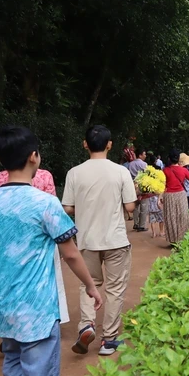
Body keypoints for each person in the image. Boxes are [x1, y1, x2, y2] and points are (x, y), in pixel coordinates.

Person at [0, 126, 103, 376]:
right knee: (39, 374)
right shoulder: (44, 203)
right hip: (36, 308)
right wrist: (90, 286)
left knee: (13, 360)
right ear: (34, 157)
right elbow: (71, 253)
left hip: (2, 305)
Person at [62, 125, 136, 357]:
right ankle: (109, 340)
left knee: (88, 284)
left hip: (86, 240)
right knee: (115, 288)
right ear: (110, 144)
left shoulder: (74, 172)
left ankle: (86, 325)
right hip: (115, 239)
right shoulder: (121, 172)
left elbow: (67, 207)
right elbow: (130, 206)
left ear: (85, 144)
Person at [0, 167, 69, 355]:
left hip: (7, 247)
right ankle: (47, 323)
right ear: (33, 156)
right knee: (46, 282)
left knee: (10, 284)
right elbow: (54, 213)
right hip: (41, 241)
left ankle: (11, 331)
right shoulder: (44, 176)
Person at [128, 152, 149, 232]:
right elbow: (147, 175)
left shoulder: (130, 164)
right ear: (140, 155)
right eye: (144, 154)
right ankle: (142, 225)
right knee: (144, 205)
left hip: (133, 186)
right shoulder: (144, 164)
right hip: (142, 186)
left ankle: (136, 223)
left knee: (136, 205)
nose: (145, 155)